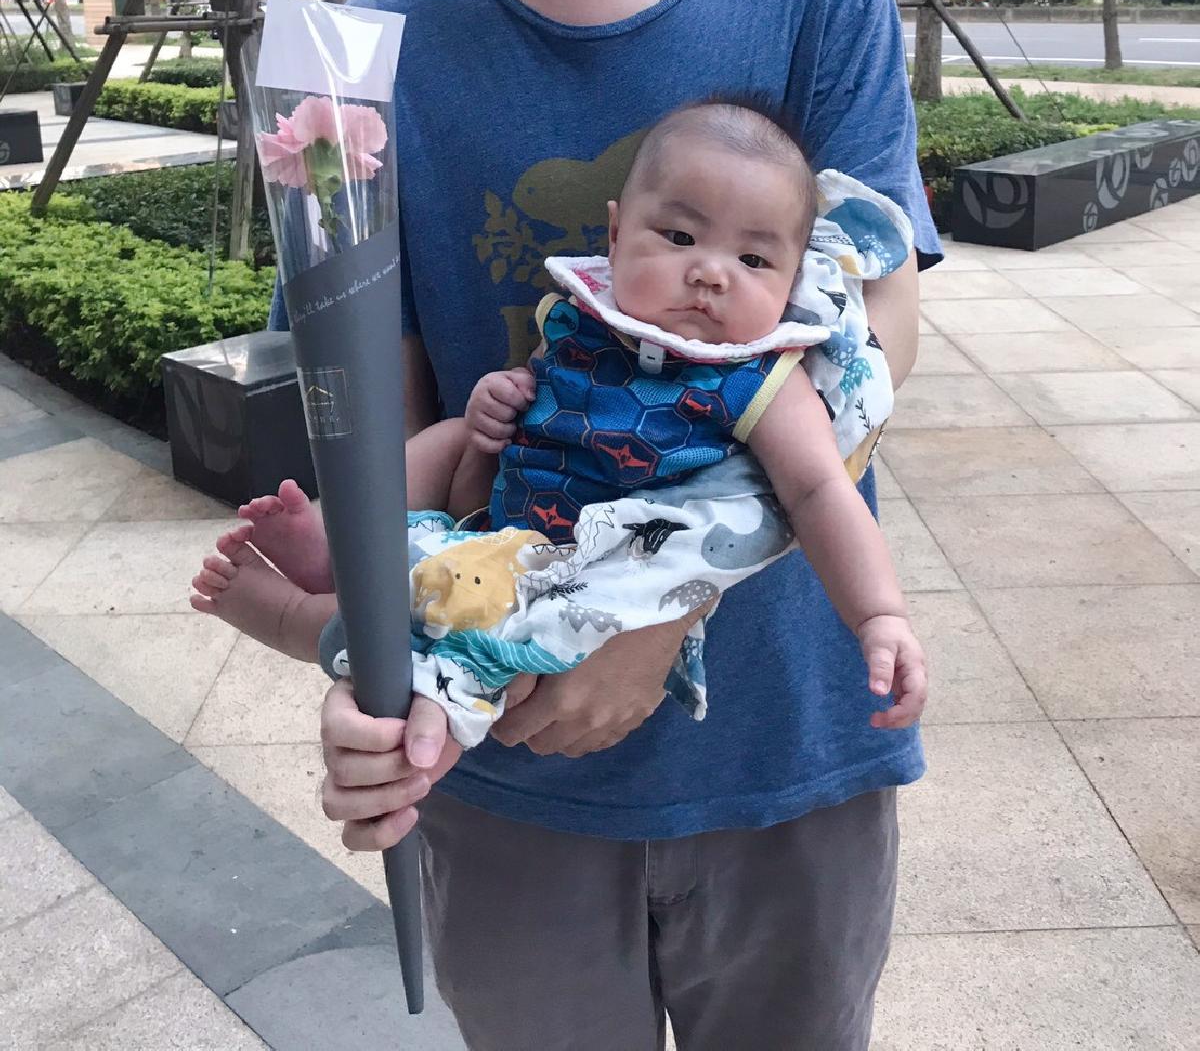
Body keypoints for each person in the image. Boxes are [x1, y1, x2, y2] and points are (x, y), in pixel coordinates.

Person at [261, 0, 939, 1051]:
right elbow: (380, 429)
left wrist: (656, 616)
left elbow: (874, 334)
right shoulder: (367, 51)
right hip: (506, 763)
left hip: (784, 743)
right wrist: (371, 670)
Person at [192, 100, 927, 753]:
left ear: (794, 278)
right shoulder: (585, 316)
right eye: (678, 236)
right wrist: (497, 401)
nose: (711, 273)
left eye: (754, 258)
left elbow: (819, 492)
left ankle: (288, 614)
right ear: (616, 233)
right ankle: (339, 542)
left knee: (446, 637)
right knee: (449, 439)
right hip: (499, 503)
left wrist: (879, 615)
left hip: (577, 572)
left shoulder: (759, 377)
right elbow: (538, 395)